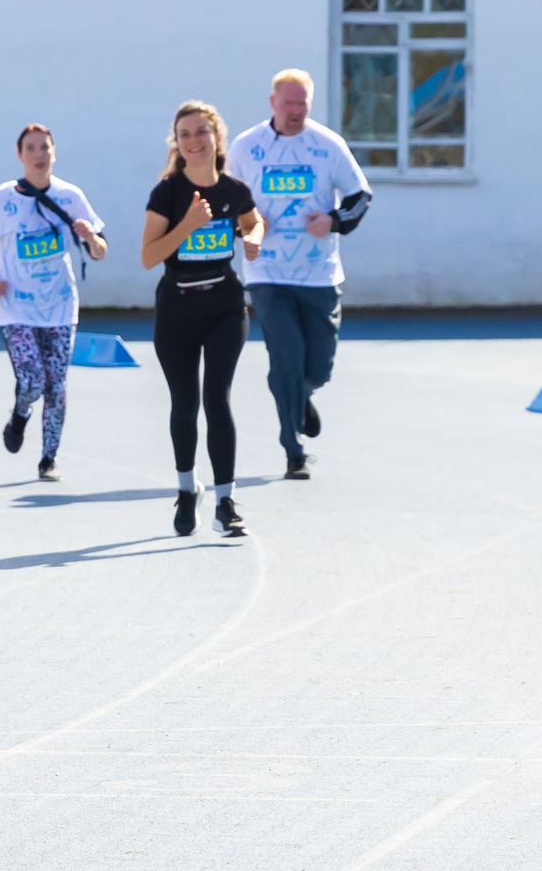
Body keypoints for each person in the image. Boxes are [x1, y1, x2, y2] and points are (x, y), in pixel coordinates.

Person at [232, 69, 373, 480]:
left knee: (319, 366)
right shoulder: (247, 146)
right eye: (288, 103)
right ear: (273, 103)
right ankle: (293, 448)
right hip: (267, 272)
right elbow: (229, 200)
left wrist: (332, 220)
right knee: (285, 356)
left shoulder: (327, 146)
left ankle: (303, 394)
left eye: (302, 104)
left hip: (318, 273)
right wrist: (249, 224)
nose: (295, 112)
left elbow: (360, 197)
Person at [139, 101, 263, 539]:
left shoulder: (233, 189)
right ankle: (186, 488)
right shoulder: (168, 194)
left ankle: (225, 502)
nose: (194, 141)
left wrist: (251, 238)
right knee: (185, 404)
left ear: (217, 138)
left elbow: (254, 220)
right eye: (185, 134)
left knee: (218, 400)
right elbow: (149, 256)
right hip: (177, 311)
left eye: (201, 132)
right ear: (178, 143)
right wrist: (188, 225)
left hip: (225, 308)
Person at [0, 123, 106, 480]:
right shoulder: (3, 198)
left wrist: (91, 237)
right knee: (32, 382)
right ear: (20, 155)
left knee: (56, 387)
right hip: (15, 306)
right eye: (31, 148)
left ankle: (48, 459)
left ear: (54, 152)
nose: (39, 155)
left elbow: (100, 251)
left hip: (59, 305)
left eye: (44, 147)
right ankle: (20, 414)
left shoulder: (71, 196)